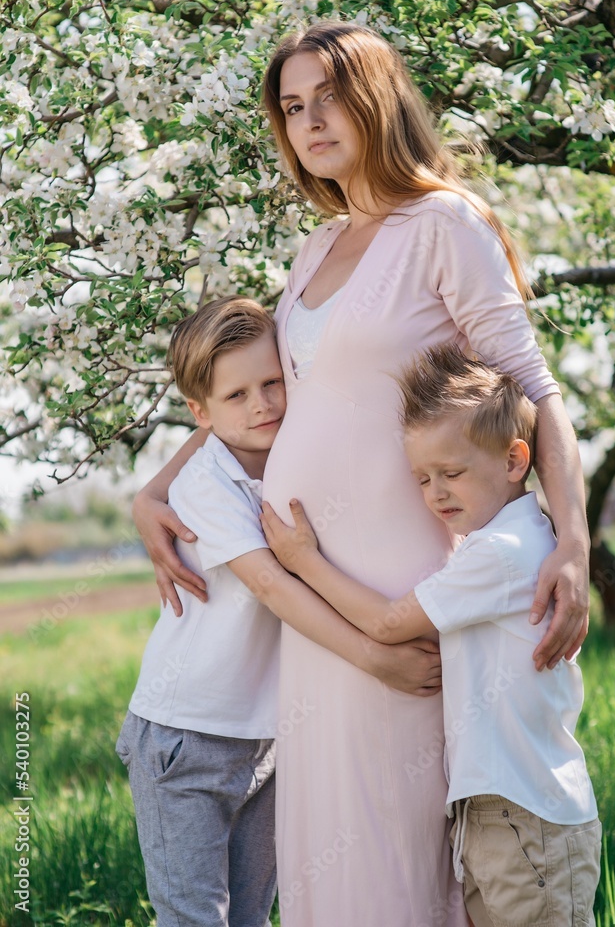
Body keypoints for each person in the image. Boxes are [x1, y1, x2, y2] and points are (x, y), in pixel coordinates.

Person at [133, 21, 590, 926]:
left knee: (395, 837)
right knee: (324, 848)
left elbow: (536, 395)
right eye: (291, 108)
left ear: (377, 96)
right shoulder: (314, 251)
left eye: (327, 96)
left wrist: (570, 545)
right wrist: (159, 485)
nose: (309, 121)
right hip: (318, 607)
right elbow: (276, 400)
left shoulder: (444, 226)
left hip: (398, 588)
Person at [117, 296, 442, 927]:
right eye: (237, 396)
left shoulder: (297, 453)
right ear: (200, 412)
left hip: (268, 736)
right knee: (193, 917)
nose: (262, 404)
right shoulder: (204, 484)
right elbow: (271, 584)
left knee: (251, 916)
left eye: (273, 383)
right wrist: (378, 657)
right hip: (186, 734)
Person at [261, 343, 602, 927]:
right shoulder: (506, 542)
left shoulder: (503, 552)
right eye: (422, 478)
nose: (435, 493)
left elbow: (390, 623)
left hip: (526, 814)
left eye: (453, 473)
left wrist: (304, 560)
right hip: (496, 811)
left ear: (516, 460)